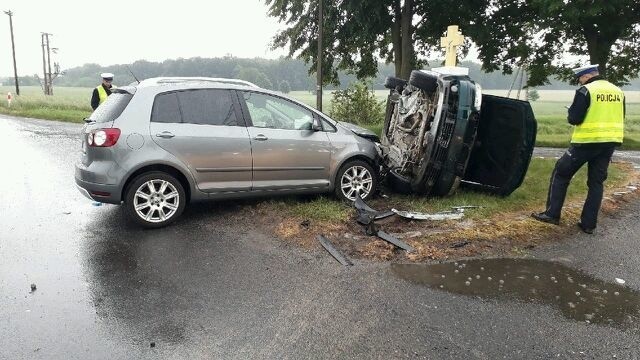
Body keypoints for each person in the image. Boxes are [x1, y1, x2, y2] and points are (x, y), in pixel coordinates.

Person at [531, 64, 625, 234]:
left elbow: (575, 118)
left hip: (586, 142)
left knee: (561, 173)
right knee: (596, 182)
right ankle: (588, 224)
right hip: (610, 142)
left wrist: (571, 112)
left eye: (580, 78)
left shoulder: (585, 91)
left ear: (587, 76)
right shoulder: (618, 91)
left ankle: (552, 214)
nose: (579, 81)